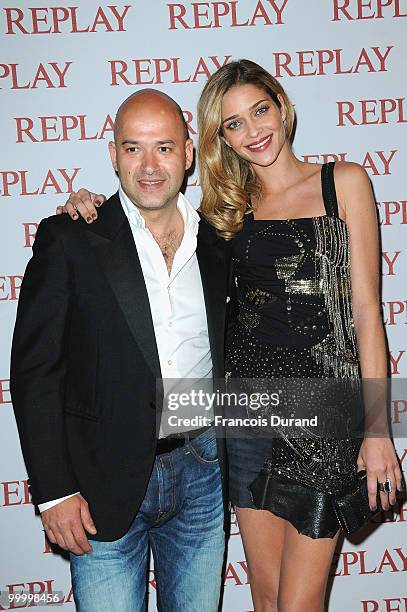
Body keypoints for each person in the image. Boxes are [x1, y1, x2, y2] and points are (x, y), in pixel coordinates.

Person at [65, 61, 403, 612]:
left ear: (282, 104)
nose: (253, 131)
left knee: (298, 604)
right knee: (266, 600)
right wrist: (88, 207)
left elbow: (367, 310)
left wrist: (376, 430)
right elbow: (146, 212)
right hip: (247, 420)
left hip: (325, 415)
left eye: (260, 111)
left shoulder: (343, 183)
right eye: (233, 124)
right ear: (218, 138)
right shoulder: (223, 212)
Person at [10, 89, 231, 612]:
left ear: (189, 153)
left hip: (203, 471)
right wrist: (55, 491)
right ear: (112, 155)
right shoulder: (69, 238)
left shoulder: (220, 244)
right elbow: (36, 372)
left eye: (164, 148)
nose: (149, 166)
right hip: (100, 480)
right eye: (133, 149)